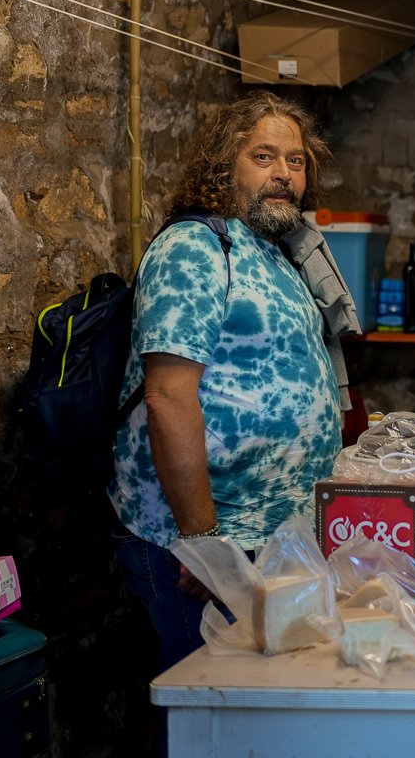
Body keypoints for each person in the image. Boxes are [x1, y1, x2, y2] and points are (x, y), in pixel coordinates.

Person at [108, 91, 357, 674]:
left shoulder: (273, 251)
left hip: (267, 531)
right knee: (203, 698)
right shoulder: (194, 247)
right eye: (263, 157)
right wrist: (203, 544)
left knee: (246, 697)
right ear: (226, 166)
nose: (283, 175)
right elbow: (167, 397)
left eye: (295, 161)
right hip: (196, 538)